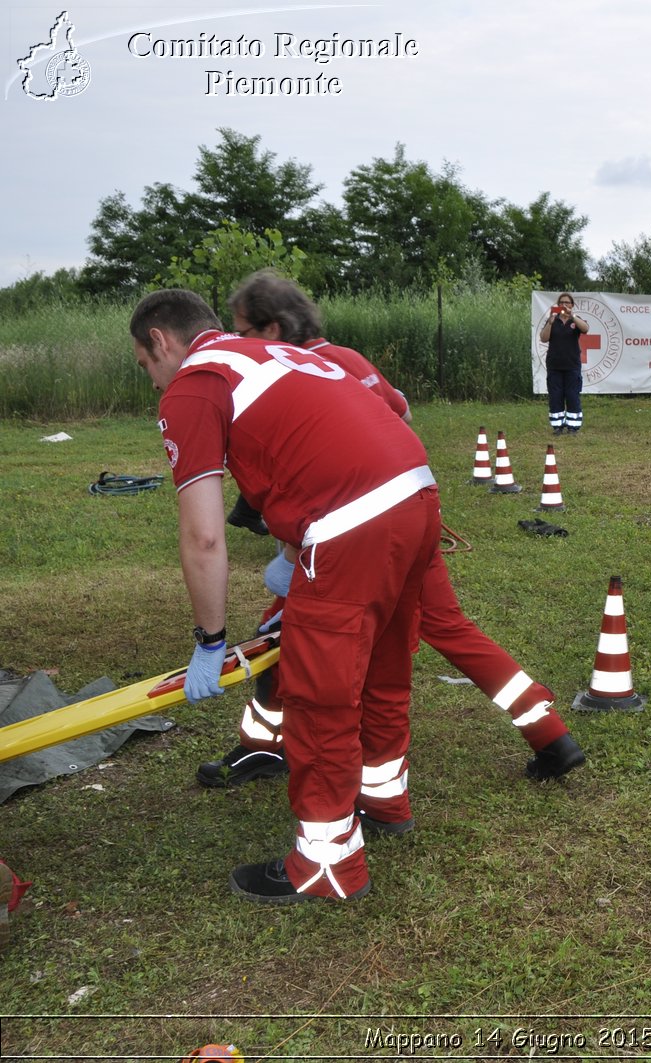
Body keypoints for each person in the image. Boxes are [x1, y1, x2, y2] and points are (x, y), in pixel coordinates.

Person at [198, 273, 584, 793]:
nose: (237, 343)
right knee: (451, 629)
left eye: (243, 330)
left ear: (272, 326)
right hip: (409, 514)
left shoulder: (294, 370)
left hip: (350, 534)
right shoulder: (347, 359)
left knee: (280, 633)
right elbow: (399, 414)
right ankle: (549, 733)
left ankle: (263, 747)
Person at [132, 287, 440, 904]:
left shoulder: (193, 384)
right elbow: (375, 416)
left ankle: (327, 865)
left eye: (145, 364)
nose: (151, 377)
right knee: (382, 663)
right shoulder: (283, 354)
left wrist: (210, 641)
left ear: (161, 341)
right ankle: (383, 797)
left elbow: (204, 534)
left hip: (350, 523)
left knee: (320, 692)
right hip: (418, 498)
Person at [538, 292, 589, 434]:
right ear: (557, 305)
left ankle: (573, 427)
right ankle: (557, 426)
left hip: (572, 365)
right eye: (561, 302)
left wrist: (572, 316)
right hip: (554, 365)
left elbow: (585, 329)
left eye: (567, 302)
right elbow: (543, 338)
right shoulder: (552, 321)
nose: (564, 305)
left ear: (572, 305)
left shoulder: (575, 320)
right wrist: (550, 322)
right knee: (556, 396)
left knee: (572, 395)